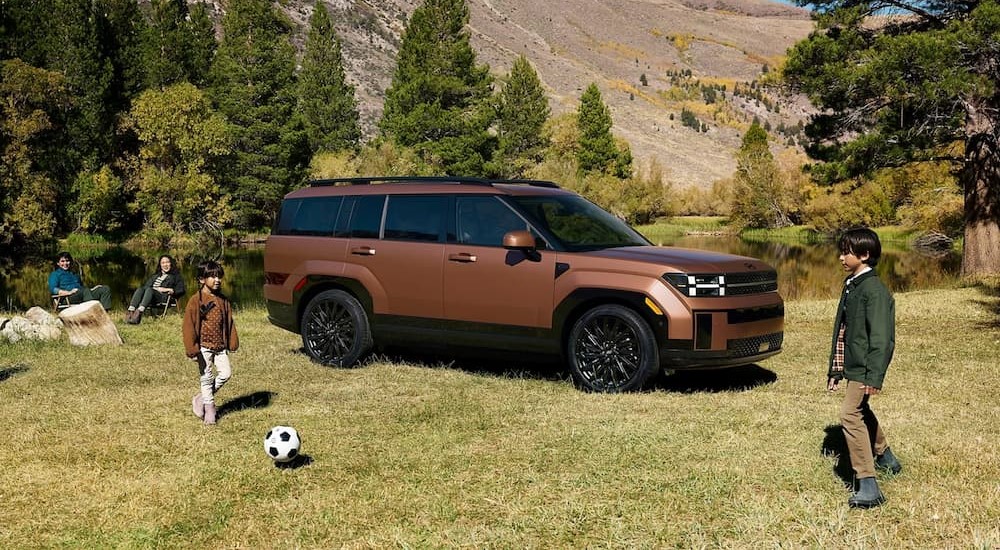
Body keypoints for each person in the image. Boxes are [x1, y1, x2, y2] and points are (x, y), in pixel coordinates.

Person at [826, 227, 902, 509]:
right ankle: (886, 458)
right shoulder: (852, 284)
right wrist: (835, 369)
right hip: (854, 363)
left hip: (866, 367)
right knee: (861, 409)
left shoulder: (874, 291)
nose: (841, 257)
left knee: (849, 414)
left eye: (846, 252)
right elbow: (843, 332)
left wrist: (873, 376)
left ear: (865, 254)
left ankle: (869, 485)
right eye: (842, 251)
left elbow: (882, 340)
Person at [182, 260, 239, 426]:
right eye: (212, 276)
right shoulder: (196, 300)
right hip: (203, 347)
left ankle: (201, 398)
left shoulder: (223, 300)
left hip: (220, 347)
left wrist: (232, 342)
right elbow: (189, 325)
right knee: (206, 377)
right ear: (202, 279)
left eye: (219, 276)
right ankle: (210, 410)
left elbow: (229, 322)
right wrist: (193, 350)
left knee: (225, 374)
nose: (217, 280)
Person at [125, 255, 186, 324]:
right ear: (160, 265)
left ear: (171, 263)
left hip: (164, 297)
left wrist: (169, 290)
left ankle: (139, 312)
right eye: (163, 263)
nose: (165, 265)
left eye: (167, 262)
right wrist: (155, 288)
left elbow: (181, 289)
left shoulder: (176, 276)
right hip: (151, 297)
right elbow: (146, 287)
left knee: (150, 290)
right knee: (140, 289)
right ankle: (131, 311)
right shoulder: (155, 276)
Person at [47, 251, 112, 310]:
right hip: (68, 297)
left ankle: (105, 312)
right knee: (84, 291)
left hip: (82, 294)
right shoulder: (55, 274)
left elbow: (81, 287)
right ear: (58, 263)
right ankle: (92, 311)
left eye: (67, 261)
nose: (65, 263)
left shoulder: (74, 273)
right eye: (62, 261)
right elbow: (53, 289)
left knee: (104, 289)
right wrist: (68, 292)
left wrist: (92, 289)